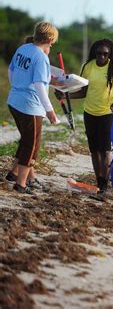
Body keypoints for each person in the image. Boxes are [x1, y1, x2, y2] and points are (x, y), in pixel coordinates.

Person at [56, 38, 113, 193]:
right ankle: (99, 180)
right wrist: (64, 95)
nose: (101, 57)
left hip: (107, 113)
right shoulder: (88, 66)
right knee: (94, 150)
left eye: (105, 54)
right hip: (89, 112)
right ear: (94, 52)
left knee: (105, 150)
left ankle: (105, 184)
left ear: (110, 54)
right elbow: (82, 91)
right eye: (99, 53)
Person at [6, 21, 60, 194]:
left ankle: (13, 174)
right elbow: (39, 85)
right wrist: (50, 110)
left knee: (25, 140)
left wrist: (18, 87)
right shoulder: (41, 57)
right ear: (50, 38)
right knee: (32, 146)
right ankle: (21, 184)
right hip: (31, 107)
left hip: (14, 101)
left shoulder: (24, 48)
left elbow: (11, 70)